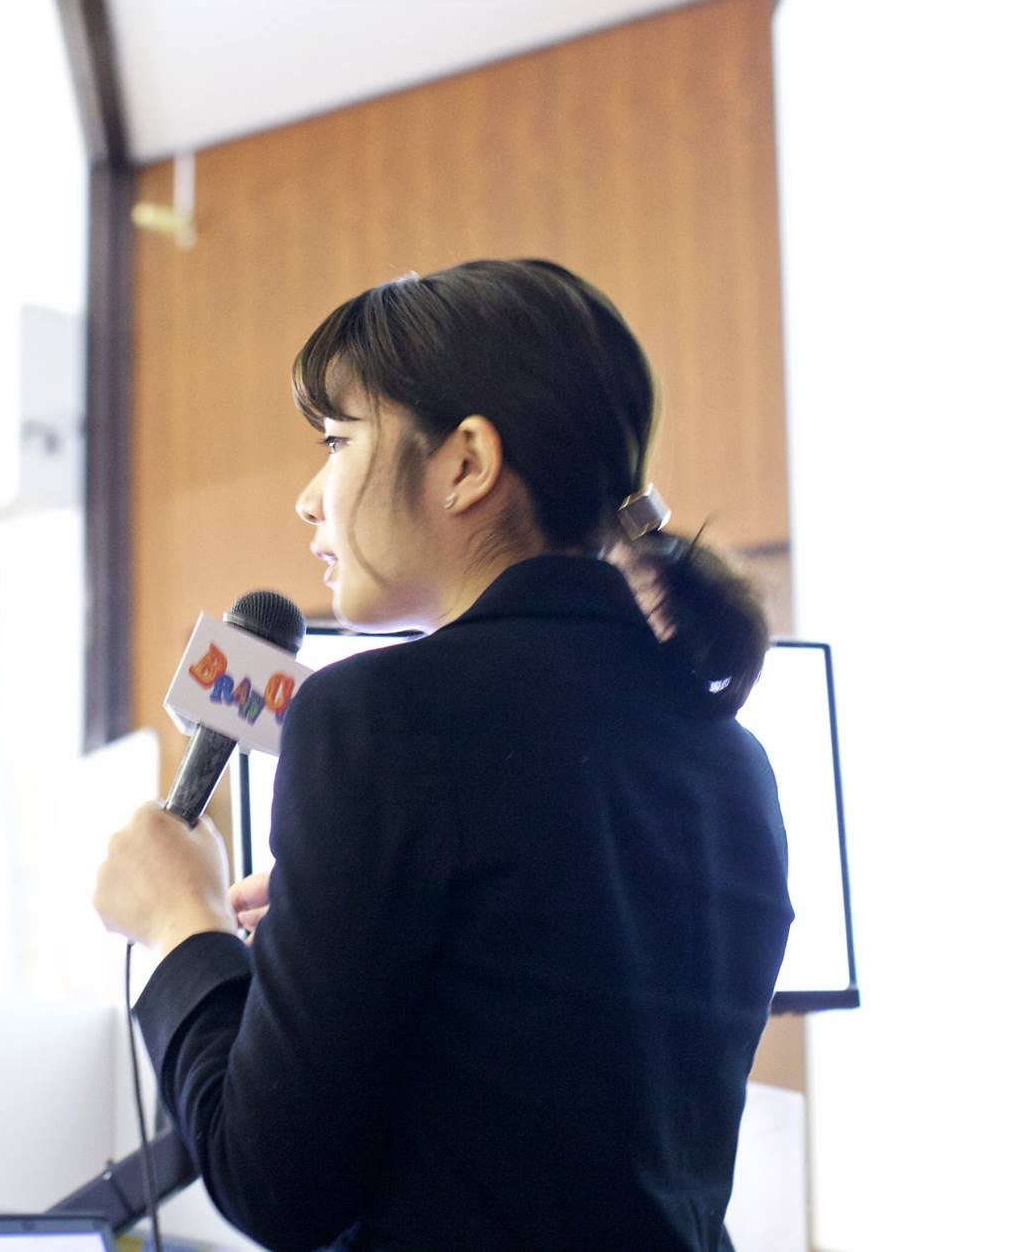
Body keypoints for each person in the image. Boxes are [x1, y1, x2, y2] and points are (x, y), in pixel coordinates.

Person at [93, 259, 793, 1251]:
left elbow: (273, 1184)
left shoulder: (375, 717)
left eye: (336, 442)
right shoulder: (734, 761)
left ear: (465, 462)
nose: (308, 499)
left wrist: (181, 922)